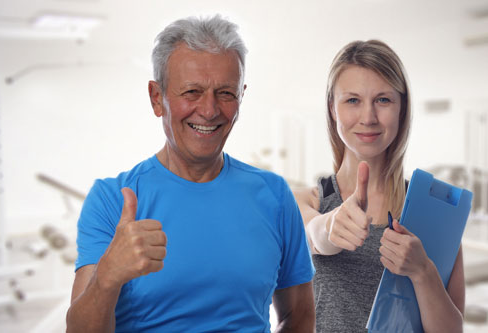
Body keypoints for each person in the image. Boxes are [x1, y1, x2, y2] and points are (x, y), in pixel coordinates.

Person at [66, 15, 315, 332]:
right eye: (192, 92)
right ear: (157, 98)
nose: (210, 110)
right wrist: (107, 278)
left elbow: (300, 316)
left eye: (225, 92)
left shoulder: (274, 195)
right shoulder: (111, 199)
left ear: (241, 96)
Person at [294, 40, 464, 333]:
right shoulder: (305, 202)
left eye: (383, 100)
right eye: (352, 100)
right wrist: (330, 226)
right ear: (332, 109)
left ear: (402, 108)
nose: (368, 117)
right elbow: (314, 234)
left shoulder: (435, 214)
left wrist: (423, 272)